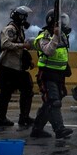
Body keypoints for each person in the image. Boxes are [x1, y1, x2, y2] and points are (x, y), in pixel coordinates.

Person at [30, 10, 73, 139]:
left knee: (50, 103)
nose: (64, 24)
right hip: (47, 74)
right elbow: (48, 50)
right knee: (54, 102)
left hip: (59, 74)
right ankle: (59, 129)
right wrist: (55, 36)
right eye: (61, 22)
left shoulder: (64, 36)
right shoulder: (43, 36)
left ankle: (37, 129)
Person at [0, 6, 35, 127]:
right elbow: (5, 44)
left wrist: (28, 60)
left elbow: (20, 49)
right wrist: (22, 45)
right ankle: (0, 118)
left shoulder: (19, 29)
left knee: (27, 90)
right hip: (9, 68)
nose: (26, 19)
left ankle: (24, 117)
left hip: (18, 67)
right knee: (5, 93)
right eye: (24, 17)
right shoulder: (10, 29)